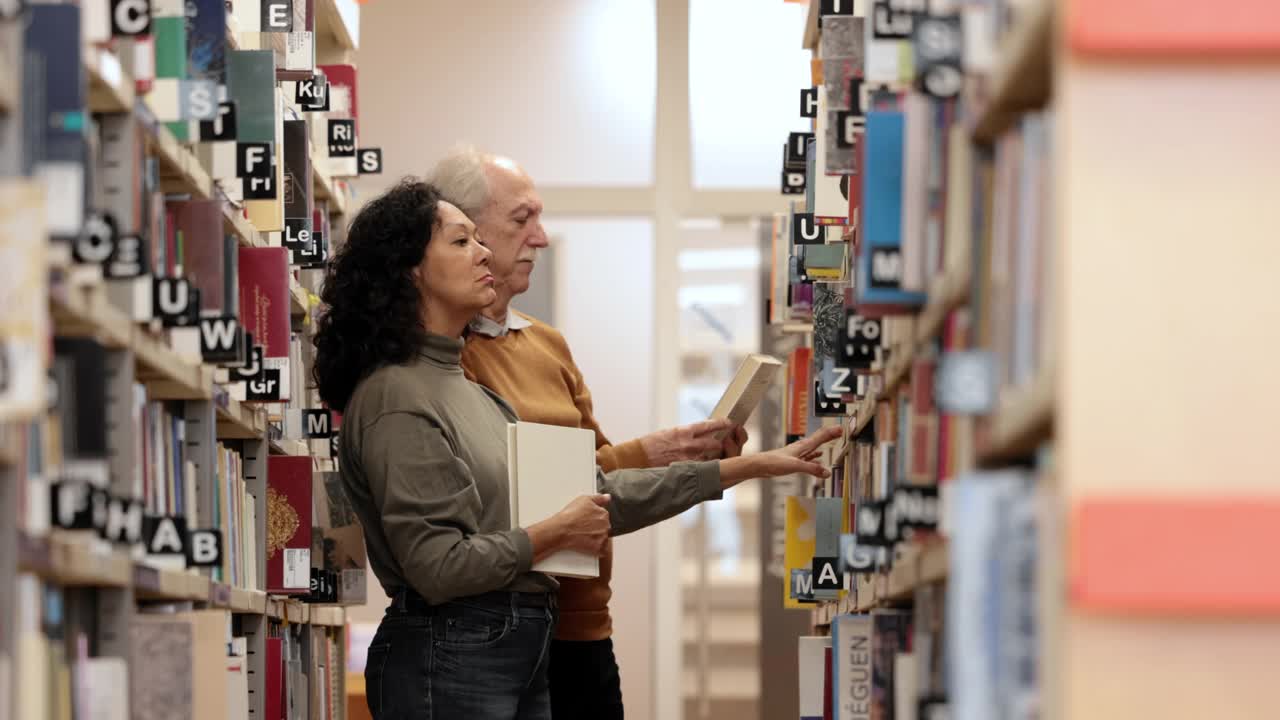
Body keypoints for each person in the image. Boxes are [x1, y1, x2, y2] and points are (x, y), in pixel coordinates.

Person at [312, 179, 841, 720]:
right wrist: (554, 535)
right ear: (411, 269)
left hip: (519, 645)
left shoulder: (469, 390)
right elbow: (438, 567)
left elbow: (598, 494)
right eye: (461, 241)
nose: (484, 253)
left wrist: (746, 467)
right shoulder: (397, 396)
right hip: (452, 653)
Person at [428, 147, 746, 719]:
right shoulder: (443, 358)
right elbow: (500, 489)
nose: (541, 238)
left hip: (584, 626)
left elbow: (593, 468)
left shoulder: (547, 344)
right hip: (498, 629)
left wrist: (672, 454)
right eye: (522, 219)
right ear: (465, 231)